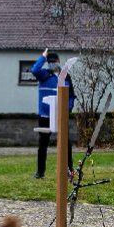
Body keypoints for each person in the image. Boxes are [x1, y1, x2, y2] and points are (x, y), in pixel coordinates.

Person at [30, 49, 74, 179]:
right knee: (43, 144)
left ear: (58, 62)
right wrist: (43, 57)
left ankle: (69, 170)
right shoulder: (43, 75)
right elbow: (34, 70)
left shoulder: (65, 76)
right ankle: (40, 172)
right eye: (49, 62)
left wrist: (68, 108)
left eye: (53, 62)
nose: (51, 64)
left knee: (66, 144)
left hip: (61, 115)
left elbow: (71, 96)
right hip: (45, 116)